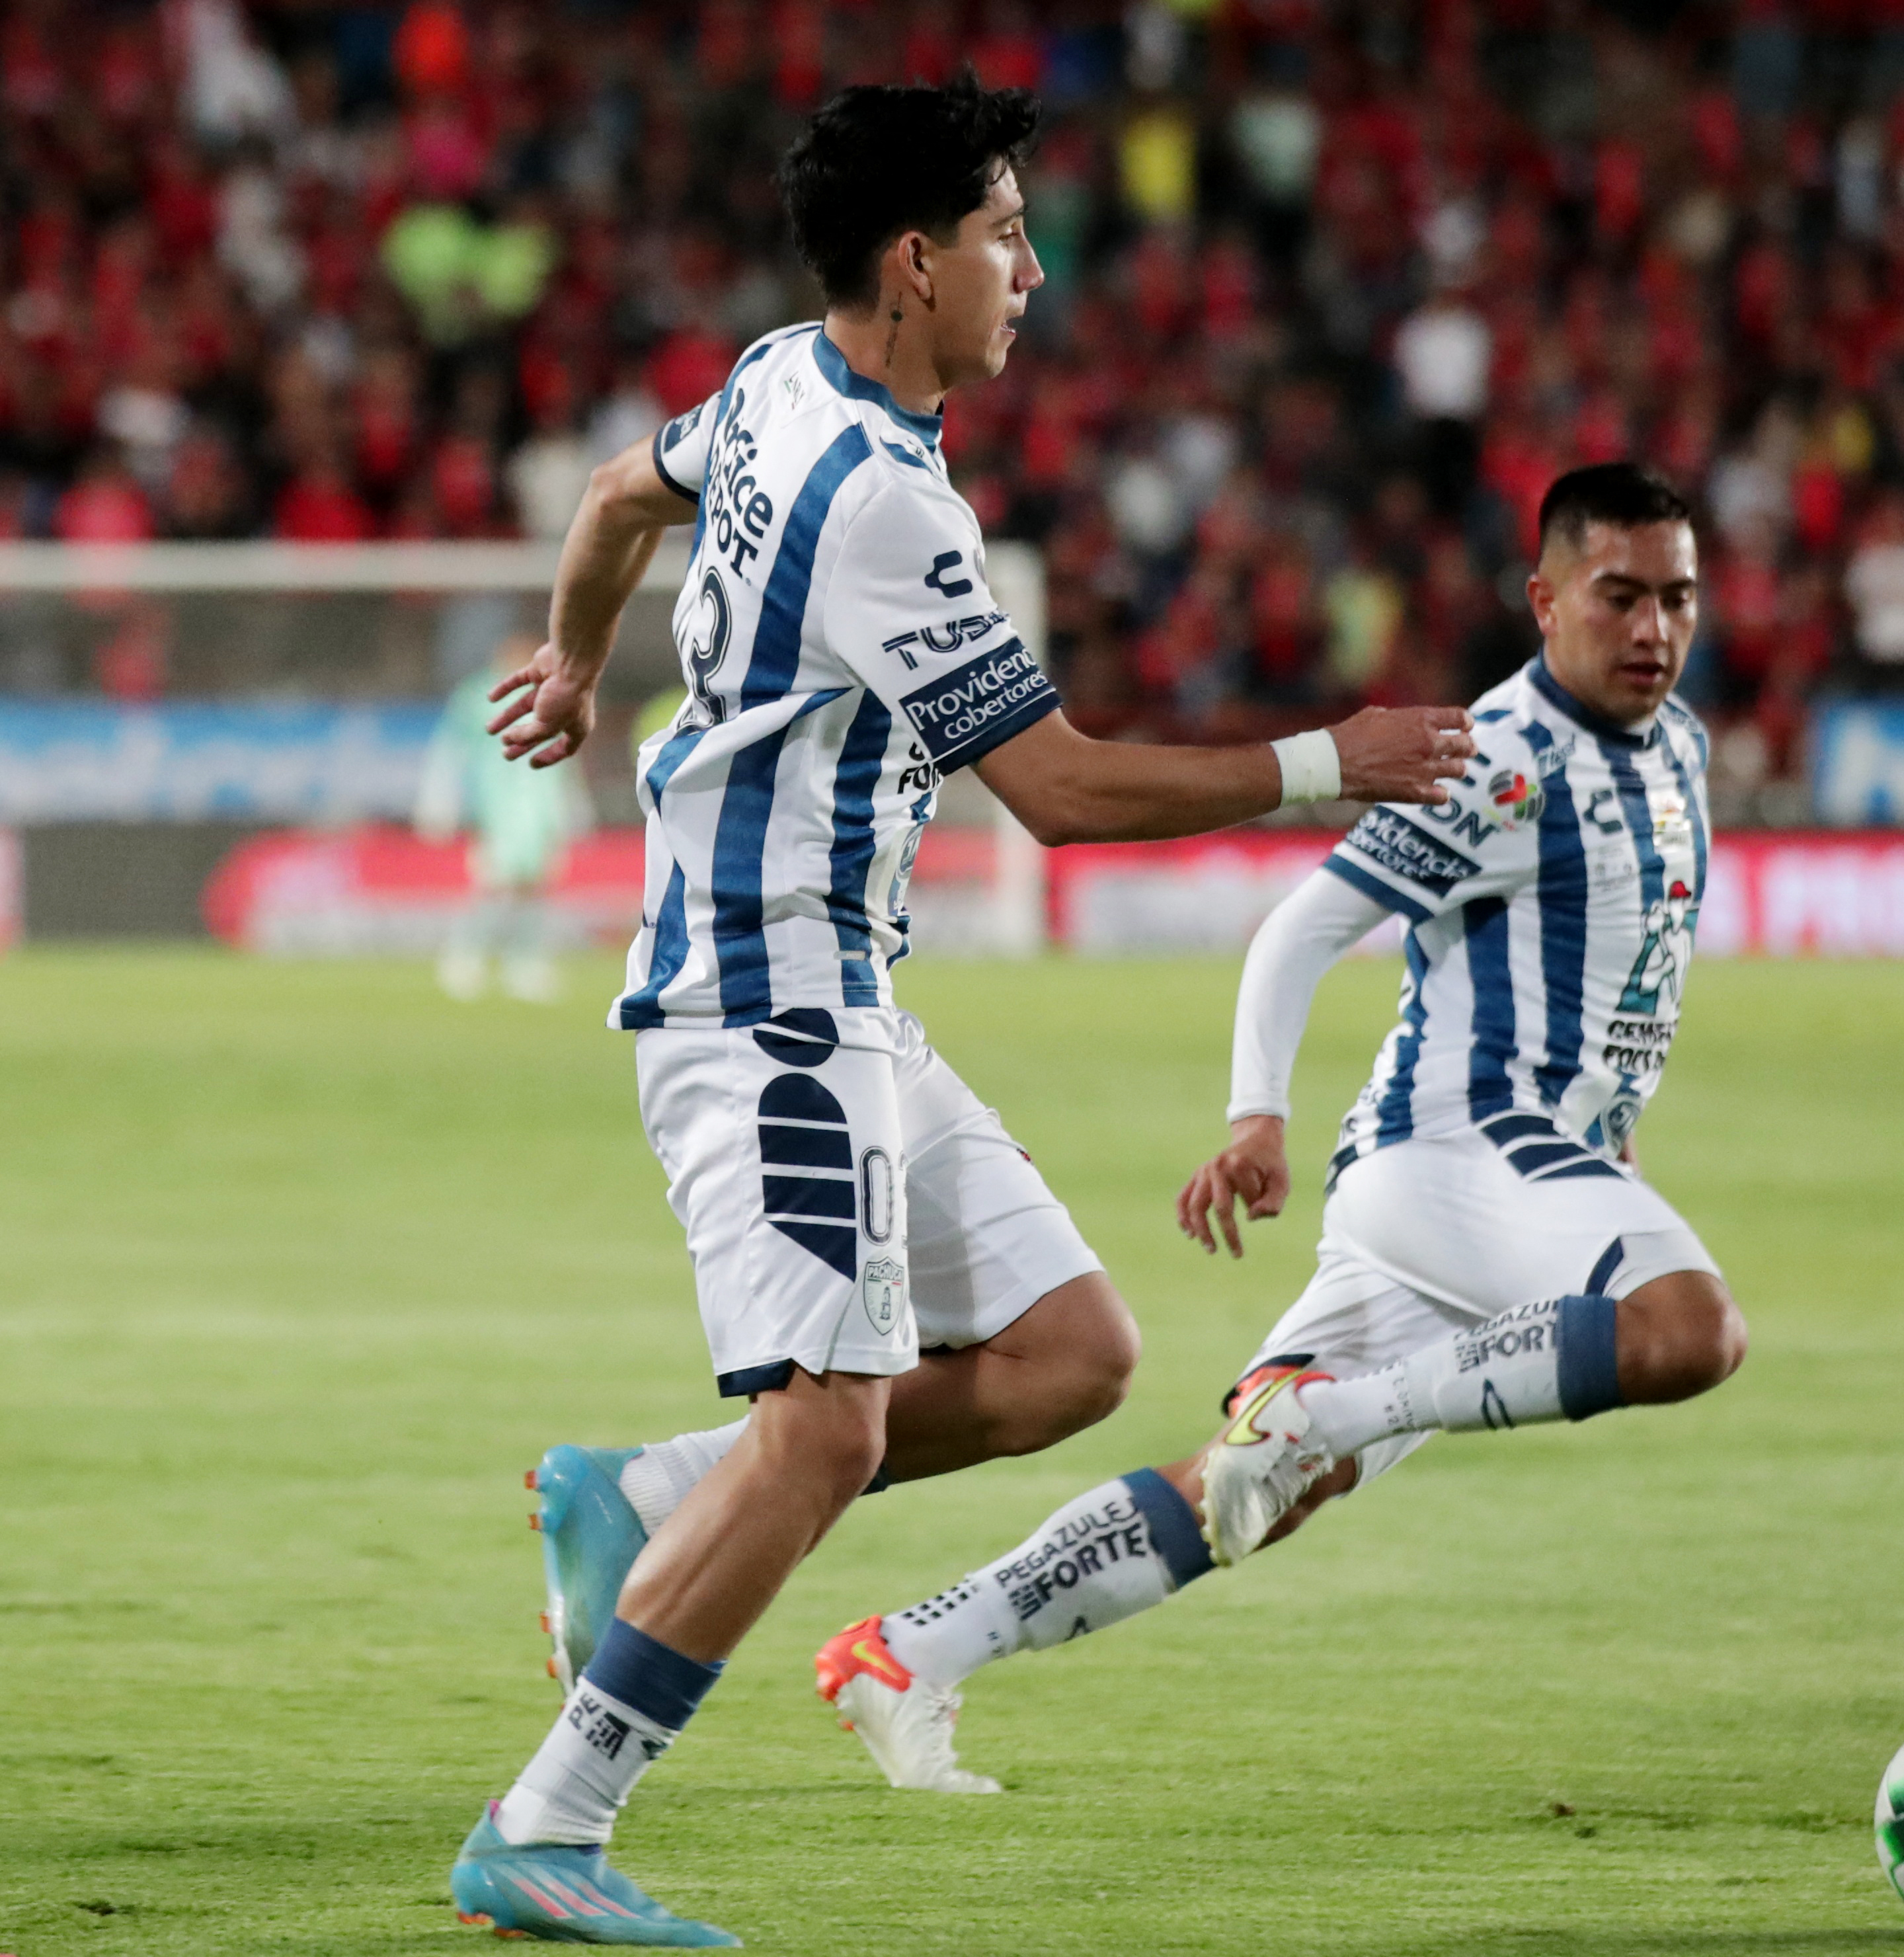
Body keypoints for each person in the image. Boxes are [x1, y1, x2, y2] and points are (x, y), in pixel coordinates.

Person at [446, 76, 1472, 1947]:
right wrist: (1334, 757)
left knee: (1072, 1349)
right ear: (914, 264)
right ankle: (549, 1824)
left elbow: (612, 497)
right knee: (827, 1435)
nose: (1035, 268)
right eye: (1004, 233)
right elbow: (1064, 794)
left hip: (846, 989)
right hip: (766, 1003)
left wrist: (576, 662)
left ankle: (649, 1490)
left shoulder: (775, 377)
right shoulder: (879, 502)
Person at [793, 462, 1747, 1794]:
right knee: (1690, 1329)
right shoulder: (1502, 757)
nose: (1654, 629)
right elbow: (1304, 926)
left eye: (1680, 599)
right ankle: (1338, 1409)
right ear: (1544, 600)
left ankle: (914, 1652)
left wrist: (1610, 1135)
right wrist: (1258, 1113)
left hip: (1515, 1175)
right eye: (1621, 595)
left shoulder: (1682, 746)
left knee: (1259, 1486)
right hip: (1459, 1152)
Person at [415, 634, 593, 1003]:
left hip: (540, 804)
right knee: (493, 885)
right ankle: (465, 957)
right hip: (496, 806)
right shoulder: (479, 694)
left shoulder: (552, 693)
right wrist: (439, 802)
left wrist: (573, 805)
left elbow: (566, 753)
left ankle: (525, 963)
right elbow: (451, 749)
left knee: (534, 886)